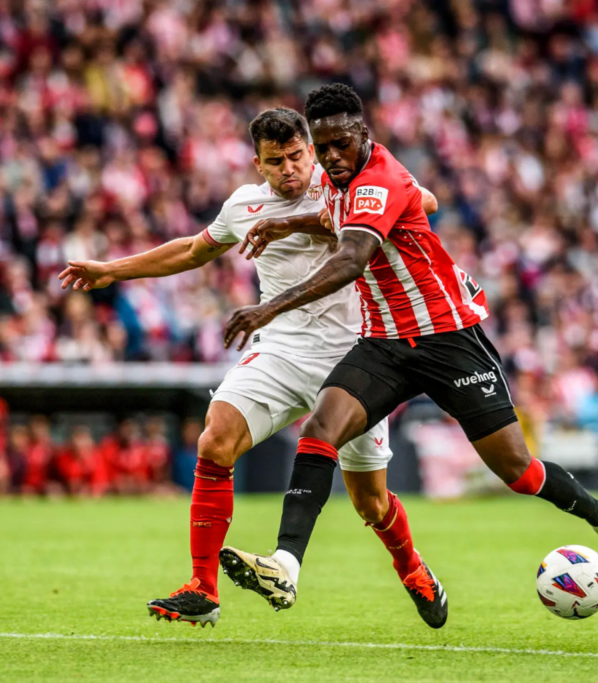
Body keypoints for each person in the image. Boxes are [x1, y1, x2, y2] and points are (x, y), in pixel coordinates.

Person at [219, 84, 598, 629]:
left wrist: (268, 308)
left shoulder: (379, 177)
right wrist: (288, 221)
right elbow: (341, 216)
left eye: (340, 144)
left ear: (364, 134)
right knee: (320, 429)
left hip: (447, 338)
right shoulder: (336, 181)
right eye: (323, 146)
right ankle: (285, 563)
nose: (331, 157)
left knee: (517, 471)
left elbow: (353, 256)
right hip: (384, 344)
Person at [58, 107, 437, 628]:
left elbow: (426, 201)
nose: (289, 169)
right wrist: (112, 271)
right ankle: (203, 587)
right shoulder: (244, 205)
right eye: (275, 161)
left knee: (370, 503)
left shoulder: (349, 183)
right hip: (280, 349)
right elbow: (193, 251)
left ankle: (414, 569)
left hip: (356, 356)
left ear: (310, 149)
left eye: (297, 156)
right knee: (215, 441)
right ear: (258, 164)